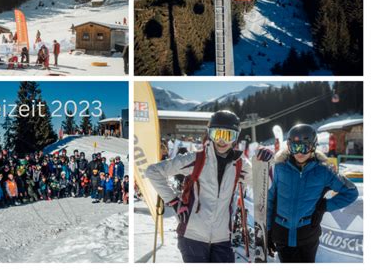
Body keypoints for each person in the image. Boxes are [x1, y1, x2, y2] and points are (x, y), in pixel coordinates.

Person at [146, 110, 272, 263]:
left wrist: (264, 166)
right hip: (192, 236)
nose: (222, 141)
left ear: (236, 137)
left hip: (223, 238)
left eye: (228, 135)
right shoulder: (196, 159)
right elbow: (153, 171)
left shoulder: (240, 164)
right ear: (209, 134)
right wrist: (173, 201)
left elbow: (264, 187)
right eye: (217, 134)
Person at [267, 124, 359, 263]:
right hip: (282, 235)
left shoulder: (323, 171)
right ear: (289, 147)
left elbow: (351, 192)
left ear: (313, 146)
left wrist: (325, 206)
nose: (300, 152)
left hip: (308, 236)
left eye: (304, 147)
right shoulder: (279, 168)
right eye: (295, 147)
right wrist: (267, 231)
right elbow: (270, 200)